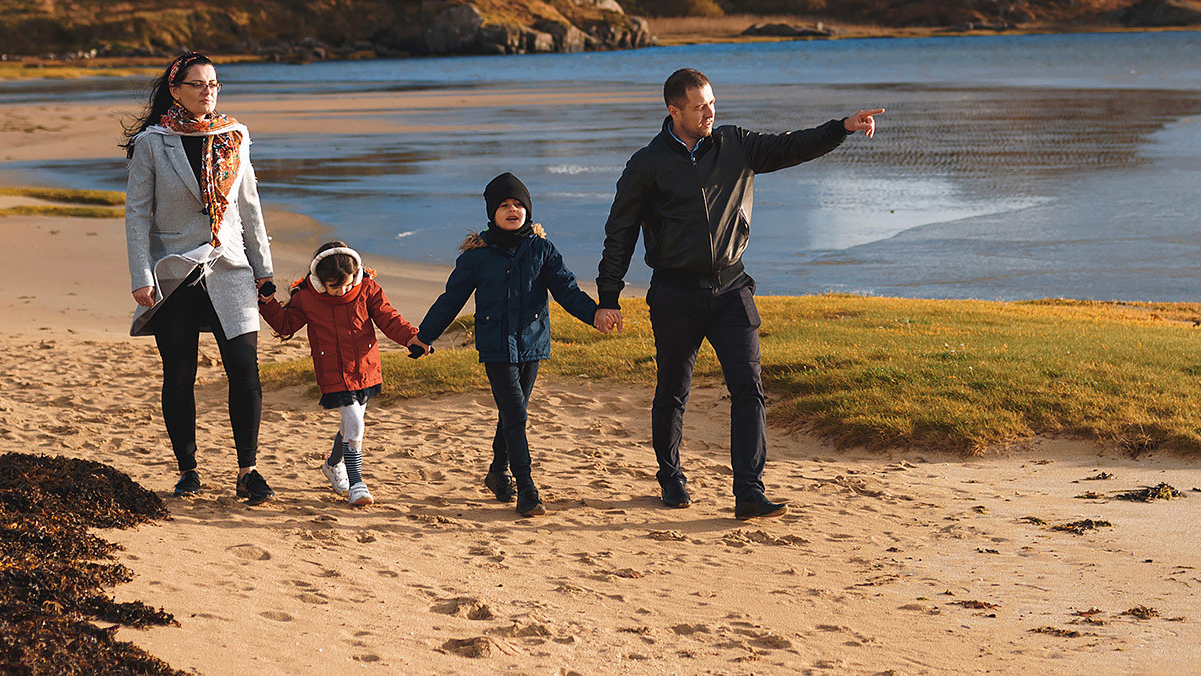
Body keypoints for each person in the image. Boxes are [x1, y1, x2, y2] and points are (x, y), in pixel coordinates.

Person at [594, 68, 883, 519]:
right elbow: (620, 233)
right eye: (699, 106)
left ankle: (749, 491)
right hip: (675, 293)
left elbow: (790, 146)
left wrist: (840, 129)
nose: (711, 111)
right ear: (674, 111)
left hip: (731, 287)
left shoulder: (736, 144)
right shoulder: (646, 165)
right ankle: (670, 476)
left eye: (712, 102)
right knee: (673, 391)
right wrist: (608, 296)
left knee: (749, 389)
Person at [124, 52, 279, 504]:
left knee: (245, 370)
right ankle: (188, 470)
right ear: (176, 90)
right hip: (174, 273)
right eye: (198, 84)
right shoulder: (152, 142)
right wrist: (141, 274)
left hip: (232, 266)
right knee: (179, 374)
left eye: (214, 84)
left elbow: (250, 206)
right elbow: (137, 215)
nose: (208, 92)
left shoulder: (236, 134)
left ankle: (248, 470)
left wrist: (264, 269)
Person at [416, 173, 600, 518]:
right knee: (516, 413)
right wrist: (425, 335)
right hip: (496, 344)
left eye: (518, 204)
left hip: (532, 343)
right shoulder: (477, 256)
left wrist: (595, 316)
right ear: (492, 213)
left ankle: (497, 471)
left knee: (513, 413)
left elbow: (567, 291)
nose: (512, 209)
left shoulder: (542, 250)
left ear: (528, 210)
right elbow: (451, 298)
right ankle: (526, 488)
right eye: (504, 205)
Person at [259, 240, 427, 508]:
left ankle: (333, 463)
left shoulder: (368, 289)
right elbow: (285, 323)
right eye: (334, 286)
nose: (342, 291)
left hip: (365, 367)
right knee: (355, 423)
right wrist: (266, 302)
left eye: (347, 284)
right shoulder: (307, 297)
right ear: (319, 280)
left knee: (350, 423)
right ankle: (357, 484)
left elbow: (389, 319)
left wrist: (413, 339)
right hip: (332, 371)